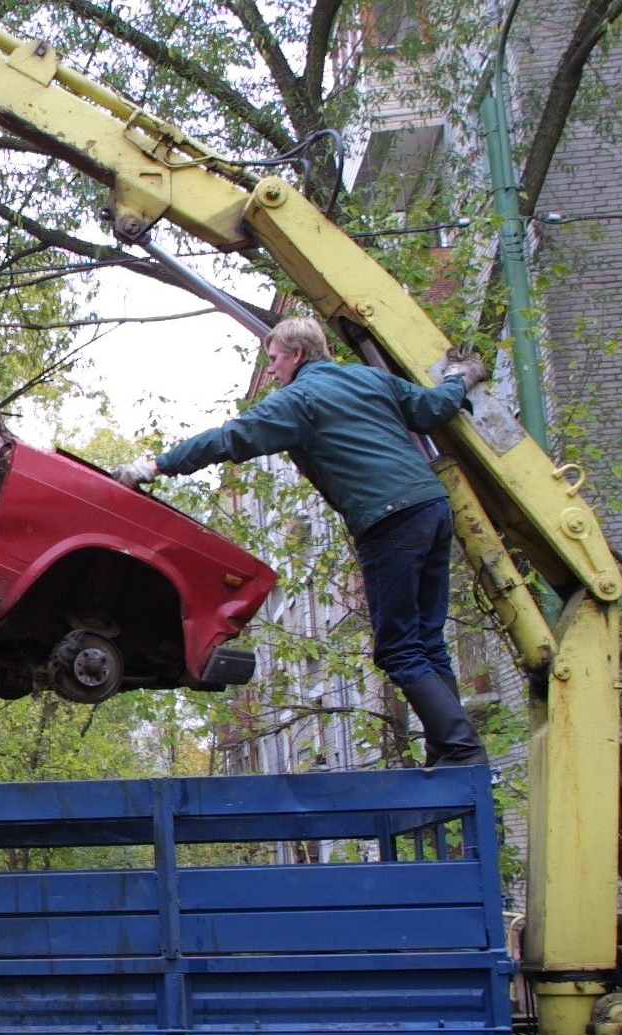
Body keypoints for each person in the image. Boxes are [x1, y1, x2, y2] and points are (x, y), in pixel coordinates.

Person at [115, 315, 488, 767]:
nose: (270, 370)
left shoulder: (299, 400)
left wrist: (156, 466)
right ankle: (452, 750)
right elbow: (432, 409)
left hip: (387, 520)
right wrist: (459, 379)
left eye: (273, 359)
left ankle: (461, 748)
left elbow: (229, 438)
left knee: (398, 648)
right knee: (427, 641)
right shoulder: (371, 379)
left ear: (297, 355)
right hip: (431, 508)